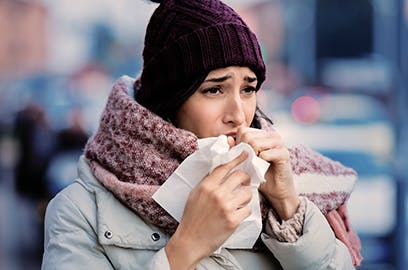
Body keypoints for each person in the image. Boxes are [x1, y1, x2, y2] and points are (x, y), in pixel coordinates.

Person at [41, 0, 363, 269]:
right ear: (169, 99)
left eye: (248, 88)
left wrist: (289, 206)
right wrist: (185, 248)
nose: (238, 114)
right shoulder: (80, 212)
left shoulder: (282, 181)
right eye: (214, 89)